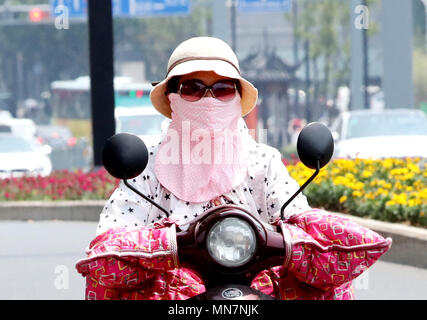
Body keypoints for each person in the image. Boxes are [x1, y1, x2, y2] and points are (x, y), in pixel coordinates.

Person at [75, 37, 391, 300]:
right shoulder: (146, 167)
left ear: (237, 99)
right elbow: (109, 240)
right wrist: (165, 246)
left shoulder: (263, 162)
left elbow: (299, 219)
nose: (209, 98)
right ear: (173, 97)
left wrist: (298, 237)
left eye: (223, 89)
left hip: (259, 285)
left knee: (330, 287)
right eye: (193, 88)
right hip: (172, 293)